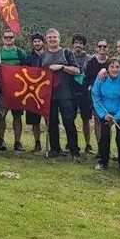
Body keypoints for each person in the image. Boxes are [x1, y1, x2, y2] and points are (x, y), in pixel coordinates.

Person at [37, 28, 81, 161]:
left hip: (65, 94)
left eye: (54, 37)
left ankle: (74, 151)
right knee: (52, 123)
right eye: (49, 37)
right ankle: (55, 149)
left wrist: (61, 67)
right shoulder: (42, 56)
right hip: (49, 95)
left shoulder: (67, 52)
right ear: (46, 39)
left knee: (69, 122)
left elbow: (77, 70)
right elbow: (38, 75)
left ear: (59, 38)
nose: (52, 40)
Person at [91, 58, 120, 174]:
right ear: (107, 68)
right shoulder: (101, 78)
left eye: (117, 67)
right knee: (104, 136)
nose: (114, 69)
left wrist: (117, 117)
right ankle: (103, 161)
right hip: (105, 111)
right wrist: (104, 115)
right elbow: (95, 96)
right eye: (112, 67)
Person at [0, 29, 28, 152]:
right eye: (6, 37)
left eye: (11, 37)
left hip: (17, 90)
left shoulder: (20, 52)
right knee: (1, 116)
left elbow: (27, 69)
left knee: (17, 116)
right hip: (2, 90)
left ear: (14, 38)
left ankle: (17, 142)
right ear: (2, 39)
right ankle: (1, 140)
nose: (8, 39)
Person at [70, 34, 94, 154]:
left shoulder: (89, 58)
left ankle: (88, 144)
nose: (78, 45)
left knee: (86, 120)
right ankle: (71, 143)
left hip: (85, 92)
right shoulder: (68, 56)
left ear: (84, 45)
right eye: (76, 43)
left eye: (80, 43)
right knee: (70, 119)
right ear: (73, 44)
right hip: (71, 91)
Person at [84, 39, 111, 149]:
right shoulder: (91, 62)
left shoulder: (111, 62)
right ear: (96, 48)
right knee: (97, 121)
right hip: (95, 95)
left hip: (109, 96)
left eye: (104, 46)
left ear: (108, 48)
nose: (102, 48)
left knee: (107, 122)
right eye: (100, 46)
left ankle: (107, 147)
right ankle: (100, 147)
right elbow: (87, 78)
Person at [23, 32, 46, 151]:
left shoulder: (49, 55)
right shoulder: (28, 58)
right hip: (32, 93)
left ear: (43, 42)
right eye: (35, 42)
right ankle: (37, 143)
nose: (37, 43)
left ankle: (52, 144)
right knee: (34, 121)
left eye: (39, 41)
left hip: (46, 92)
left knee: (49, 119)